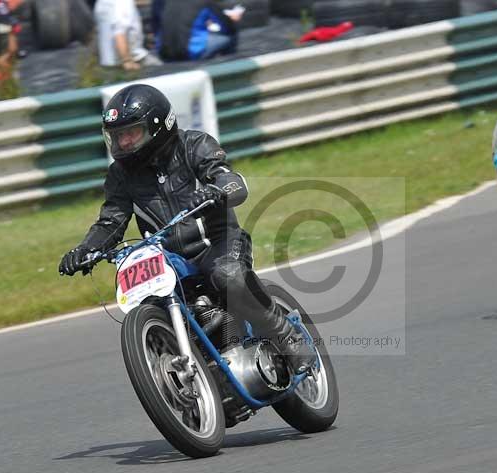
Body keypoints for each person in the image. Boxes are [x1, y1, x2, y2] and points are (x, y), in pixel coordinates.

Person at [58, 84, 317, 375]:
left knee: (227, 275)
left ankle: (286, 336)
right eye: (118, 136)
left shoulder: (195, 145)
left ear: (158, 127)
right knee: (152, 299)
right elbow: (112, 219)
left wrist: (214, 192)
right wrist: (85, 249)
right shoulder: (120, 175)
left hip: (218, 242)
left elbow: (231, 180)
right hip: (169, 259)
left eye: (131, 133)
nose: (124, 142)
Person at [93, 0, 162, 71]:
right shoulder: (123, 3)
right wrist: (127, 61)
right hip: (133, 60)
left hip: (108, 63)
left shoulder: (101, 2)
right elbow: (119, 33)